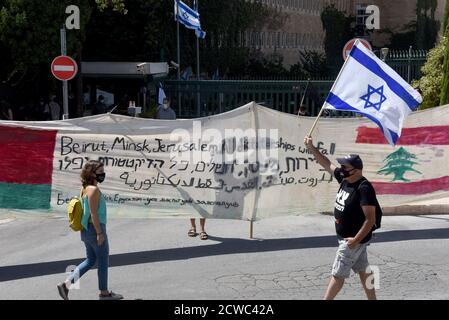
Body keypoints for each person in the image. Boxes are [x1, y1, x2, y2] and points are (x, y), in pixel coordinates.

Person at [304, 136, 380, 300]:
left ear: (357, 170)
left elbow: (370, 220)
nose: (341, 169)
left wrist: (354, 241)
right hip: (352, 239)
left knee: (337, 274)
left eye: (345, 167)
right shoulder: (345, 179)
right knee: (364, 270)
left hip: (352, 241)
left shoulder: (364, 188)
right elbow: (325, 163)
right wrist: (311, 147)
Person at [57, 160, 123, 300]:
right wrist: (100, 233)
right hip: (95, 229)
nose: (102, 174)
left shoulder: (85, 187)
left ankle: (66, 285)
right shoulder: (93, 190)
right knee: (103, 261)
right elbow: (93, 213)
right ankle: (104, 293)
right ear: (92, 173)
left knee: (90, 259)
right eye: (100, 171)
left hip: (86, 230)